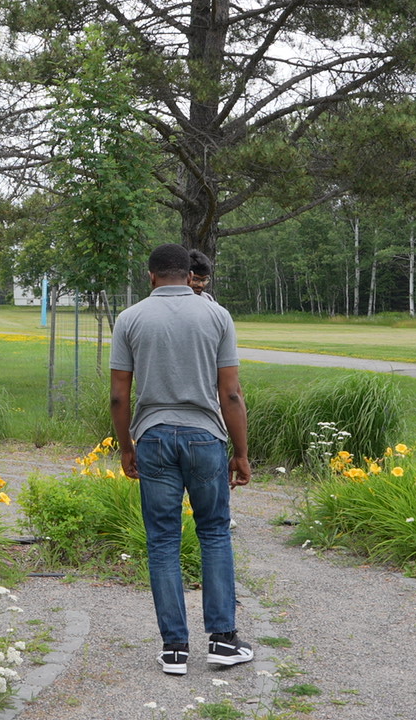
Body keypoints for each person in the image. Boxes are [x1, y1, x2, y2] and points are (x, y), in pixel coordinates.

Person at [109, 243, 253, 677]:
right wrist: (241, 452)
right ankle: (223, 640)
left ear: (150, 276)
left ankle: (174, 649)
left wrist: (126, 446)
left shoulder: (130, 318)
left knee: (163, 541)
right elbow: (230, 392)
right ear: (189, 274)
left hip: (152, 436)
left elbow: (119, 395)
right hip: (205, 436)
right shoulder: (216, 316)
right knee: (213, 533)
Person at [188, 249, 237, 530]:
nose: (201, 286)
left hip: (211, 398)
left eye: (205, 281)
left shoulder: (213, 307)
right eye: (197, 280)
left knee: (214, 465)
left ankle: (221, 512)